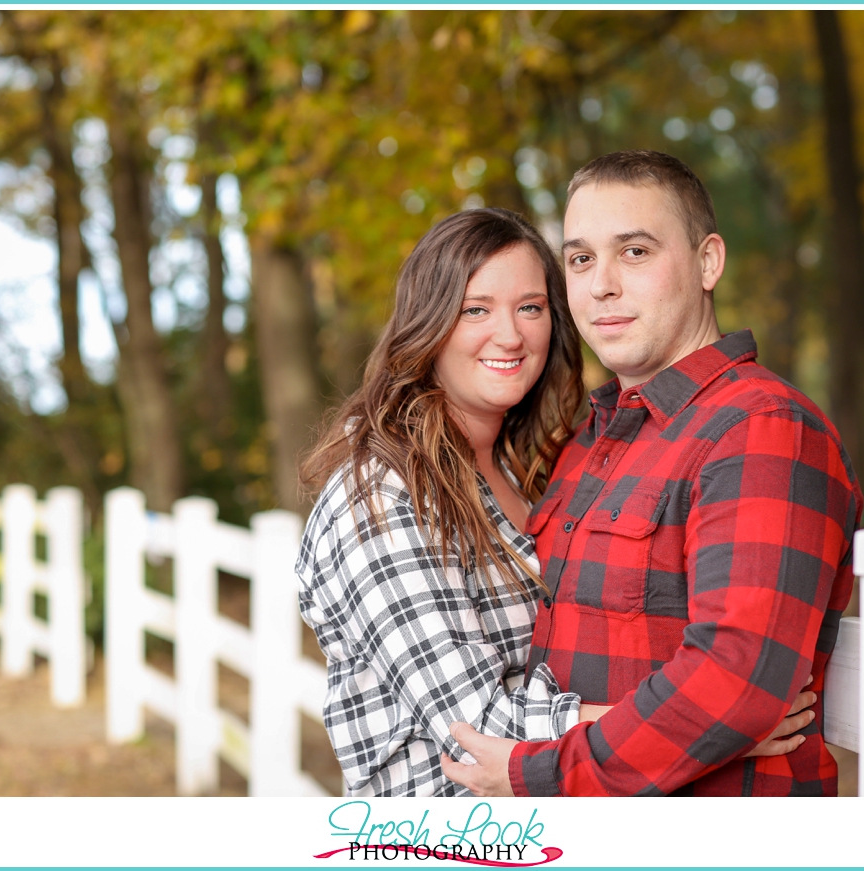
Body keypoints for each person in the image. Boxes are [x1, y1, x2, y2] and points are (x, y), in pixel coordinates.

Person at [295, 206, 814, 797]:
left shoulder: (524, 473)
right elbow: (477, 727)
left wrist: (705, 716)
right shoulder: (381, 494)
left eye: (531, 308)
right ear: (427, 323)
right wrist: (705, 721)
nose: (511, 334)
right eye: (475, 309)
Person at [442, 150, 861, 797]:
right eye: (580, 259)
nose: (601, 284)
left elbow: (736, 679)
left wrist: (539, 773)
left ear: (707, 262)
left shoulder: (762, 427)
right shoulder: (588, 440)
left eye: (634, 251)